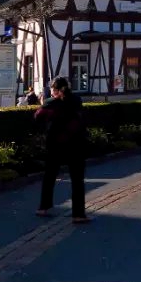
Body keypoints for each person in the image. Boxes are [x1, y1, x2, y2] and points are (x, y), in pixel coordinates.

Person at [34, 77, 89, 223]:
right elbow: (81, 119)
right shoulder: (76, 100)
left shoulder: (50, 103)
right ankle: (78, 214)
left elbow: (38, 117)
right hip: (76, 144)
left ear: (56, 90)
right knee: (77, 180)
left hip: (55, 145)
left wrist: (44, 104)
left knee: (49, 176)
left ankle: (43, 207)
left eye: (52, 89)